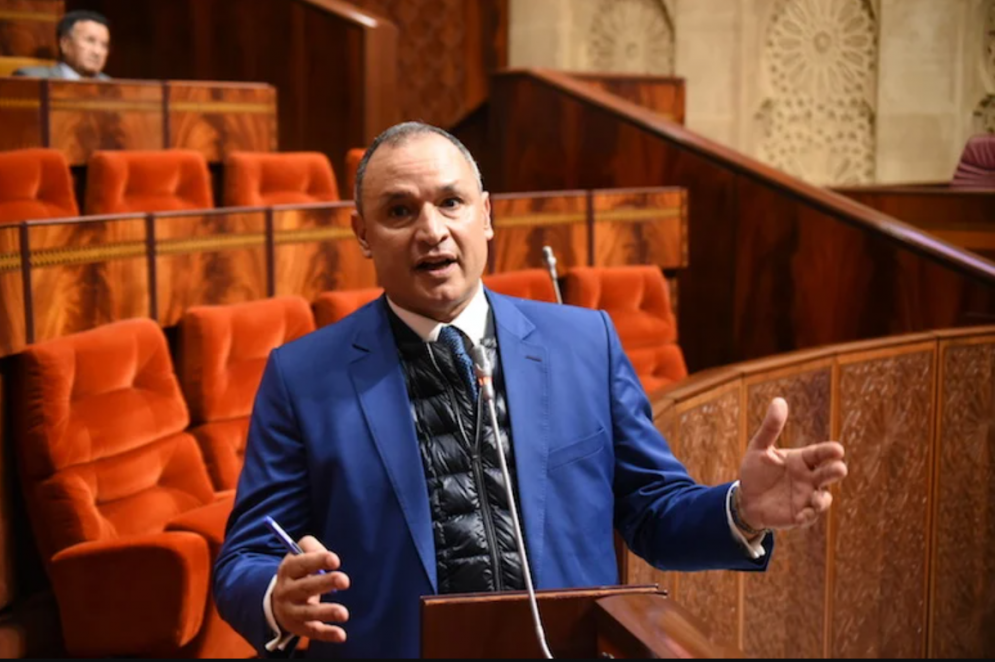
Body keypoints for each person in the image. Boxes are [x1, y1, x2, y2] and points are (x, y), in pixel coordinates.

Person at [213, 122, 848, 658]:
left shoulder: (585, 344)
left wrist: (741, 510)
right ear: (362, 234)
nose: (431, 230)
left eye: (451, 203)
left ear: (486, 215)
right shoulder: (303, 377)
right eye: (399, 211)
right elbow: (246, 557)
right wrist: (277, 595)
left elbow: (653, 511)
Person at [13, 10, 111, 80]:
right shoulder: (32, 78)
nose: (97, 52)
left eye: (104, 45)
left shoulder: (112, 87)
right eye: (90, 41)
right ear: (65, 44)